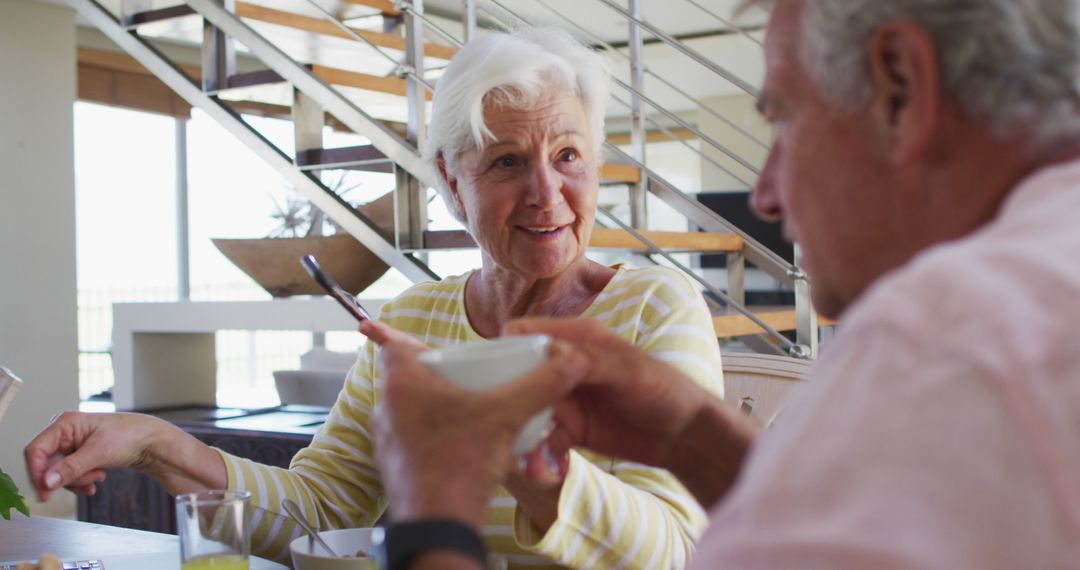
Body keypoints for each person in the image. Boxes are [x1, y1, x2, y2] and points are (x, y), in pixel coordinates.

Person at [368, 0, 1080, 568]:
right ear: (452, 185)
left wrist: (435, 508)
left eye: (781, 118)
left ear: (899, 87)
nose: (765, 195)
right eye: (505, 164)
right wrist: (693, 438)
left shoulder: (946, 342)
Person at [23, 27, 724, 568]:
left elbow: (681, 551)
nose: (547, 192)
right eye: (508, 161)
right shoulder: (413, 318)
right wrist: (154, 445)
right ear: (452, 183)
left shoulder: (654, 308)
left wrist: (514, 437)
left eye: (568, 156)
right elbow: (320, 512)